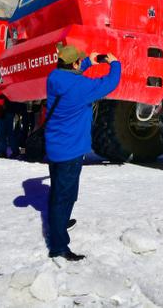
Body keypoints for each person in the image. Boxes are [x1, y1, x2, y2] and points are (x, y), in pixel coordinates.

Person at [44, 44, 121, 261]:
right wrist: (115, 63)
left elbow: (73, 75)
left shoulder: (54, 77)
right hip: (71, 150)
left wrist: (88, 62)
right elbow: (110, 83)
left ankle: (61, 220)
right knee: (64, 195)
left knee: (60, 189)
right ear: (74, 64)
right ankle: (58, 246)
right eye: (79, 60)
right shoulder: (80, 87)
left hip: (55, 147)